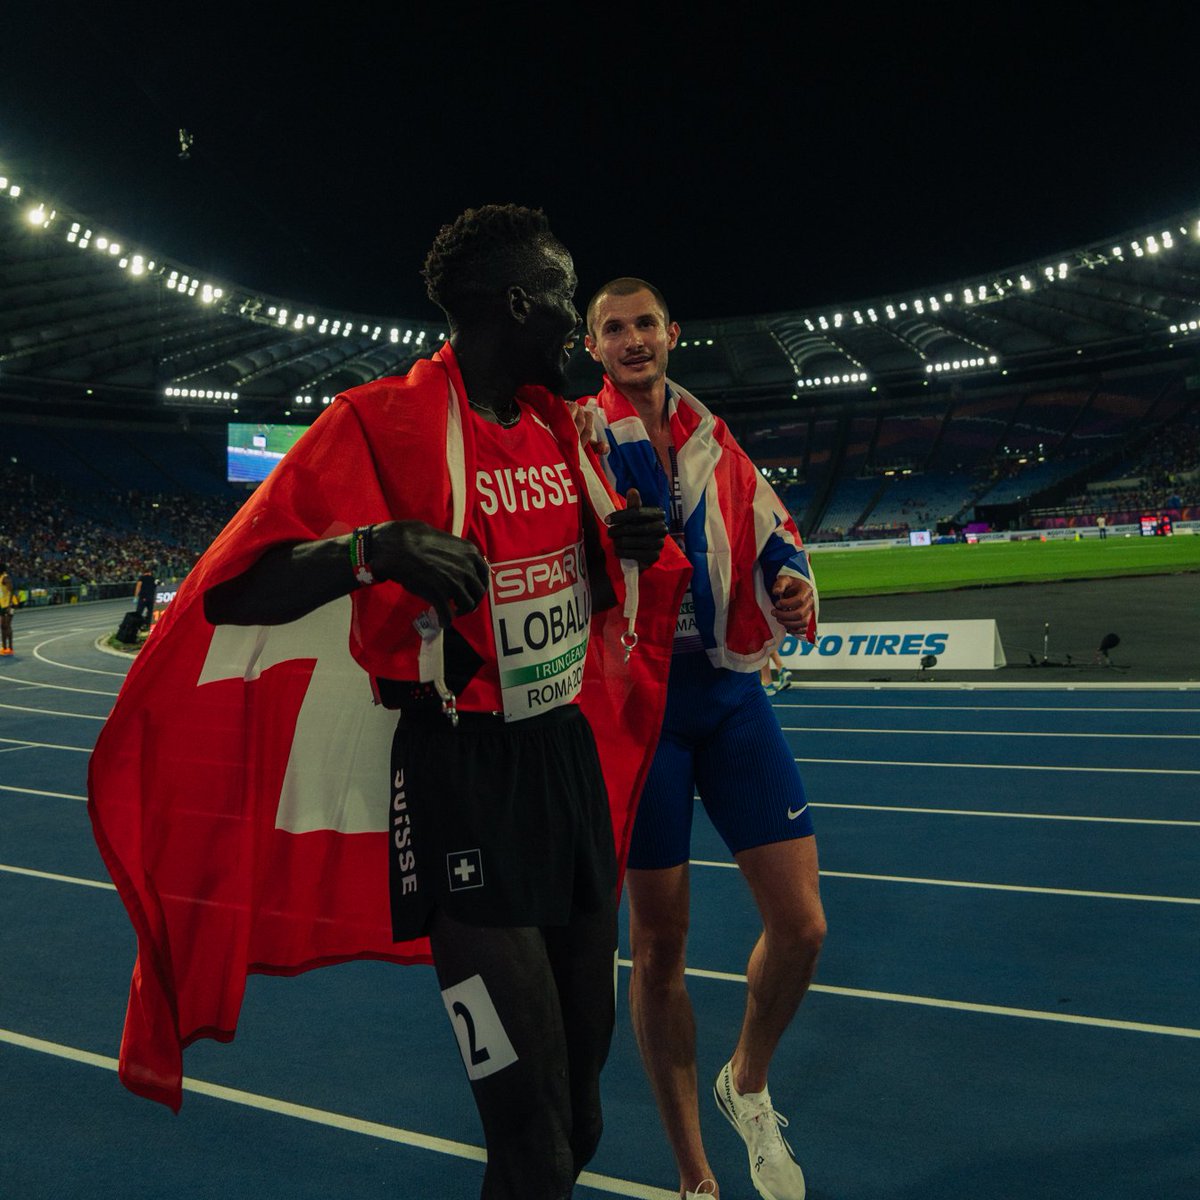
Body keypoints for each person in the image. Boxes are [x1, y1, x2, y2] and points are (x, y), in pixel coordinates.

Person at [89, 210, 686, 1200]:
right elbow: (235, 586)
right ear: (518, 303)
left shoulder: (555, 423)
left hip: (562, 766)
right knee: (528, 1141)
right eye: (566, 298)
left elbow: (563, 580)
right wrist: (372, 551)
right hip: (462, 784)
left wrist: (617, 547)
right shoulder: (377, 421)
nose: (582, 323)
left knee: (579, 1116)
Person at [581, 278, 824, 1200]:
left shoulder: (711, 437)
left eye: (646, 323)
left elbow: (770, 530)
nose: (634, 339)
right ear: (593, 345)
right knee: (659, 948)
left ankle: (746, 1084)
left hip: (726, 693)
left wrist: (793, 581)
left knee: (801, 929)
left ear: (672, 333)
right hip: (641, 707)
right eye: (615, 328)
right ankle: (694, 1176)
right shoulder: (578, 439)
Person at [0, 562, 16, 655]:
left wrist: (9, 605)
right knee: (2, 626)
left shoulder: (5, 578)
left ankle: (10, 648)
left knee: (7, 625)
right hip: (2, 605)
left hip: (10, 604)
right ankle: (4, 647)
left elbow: (12, 591)